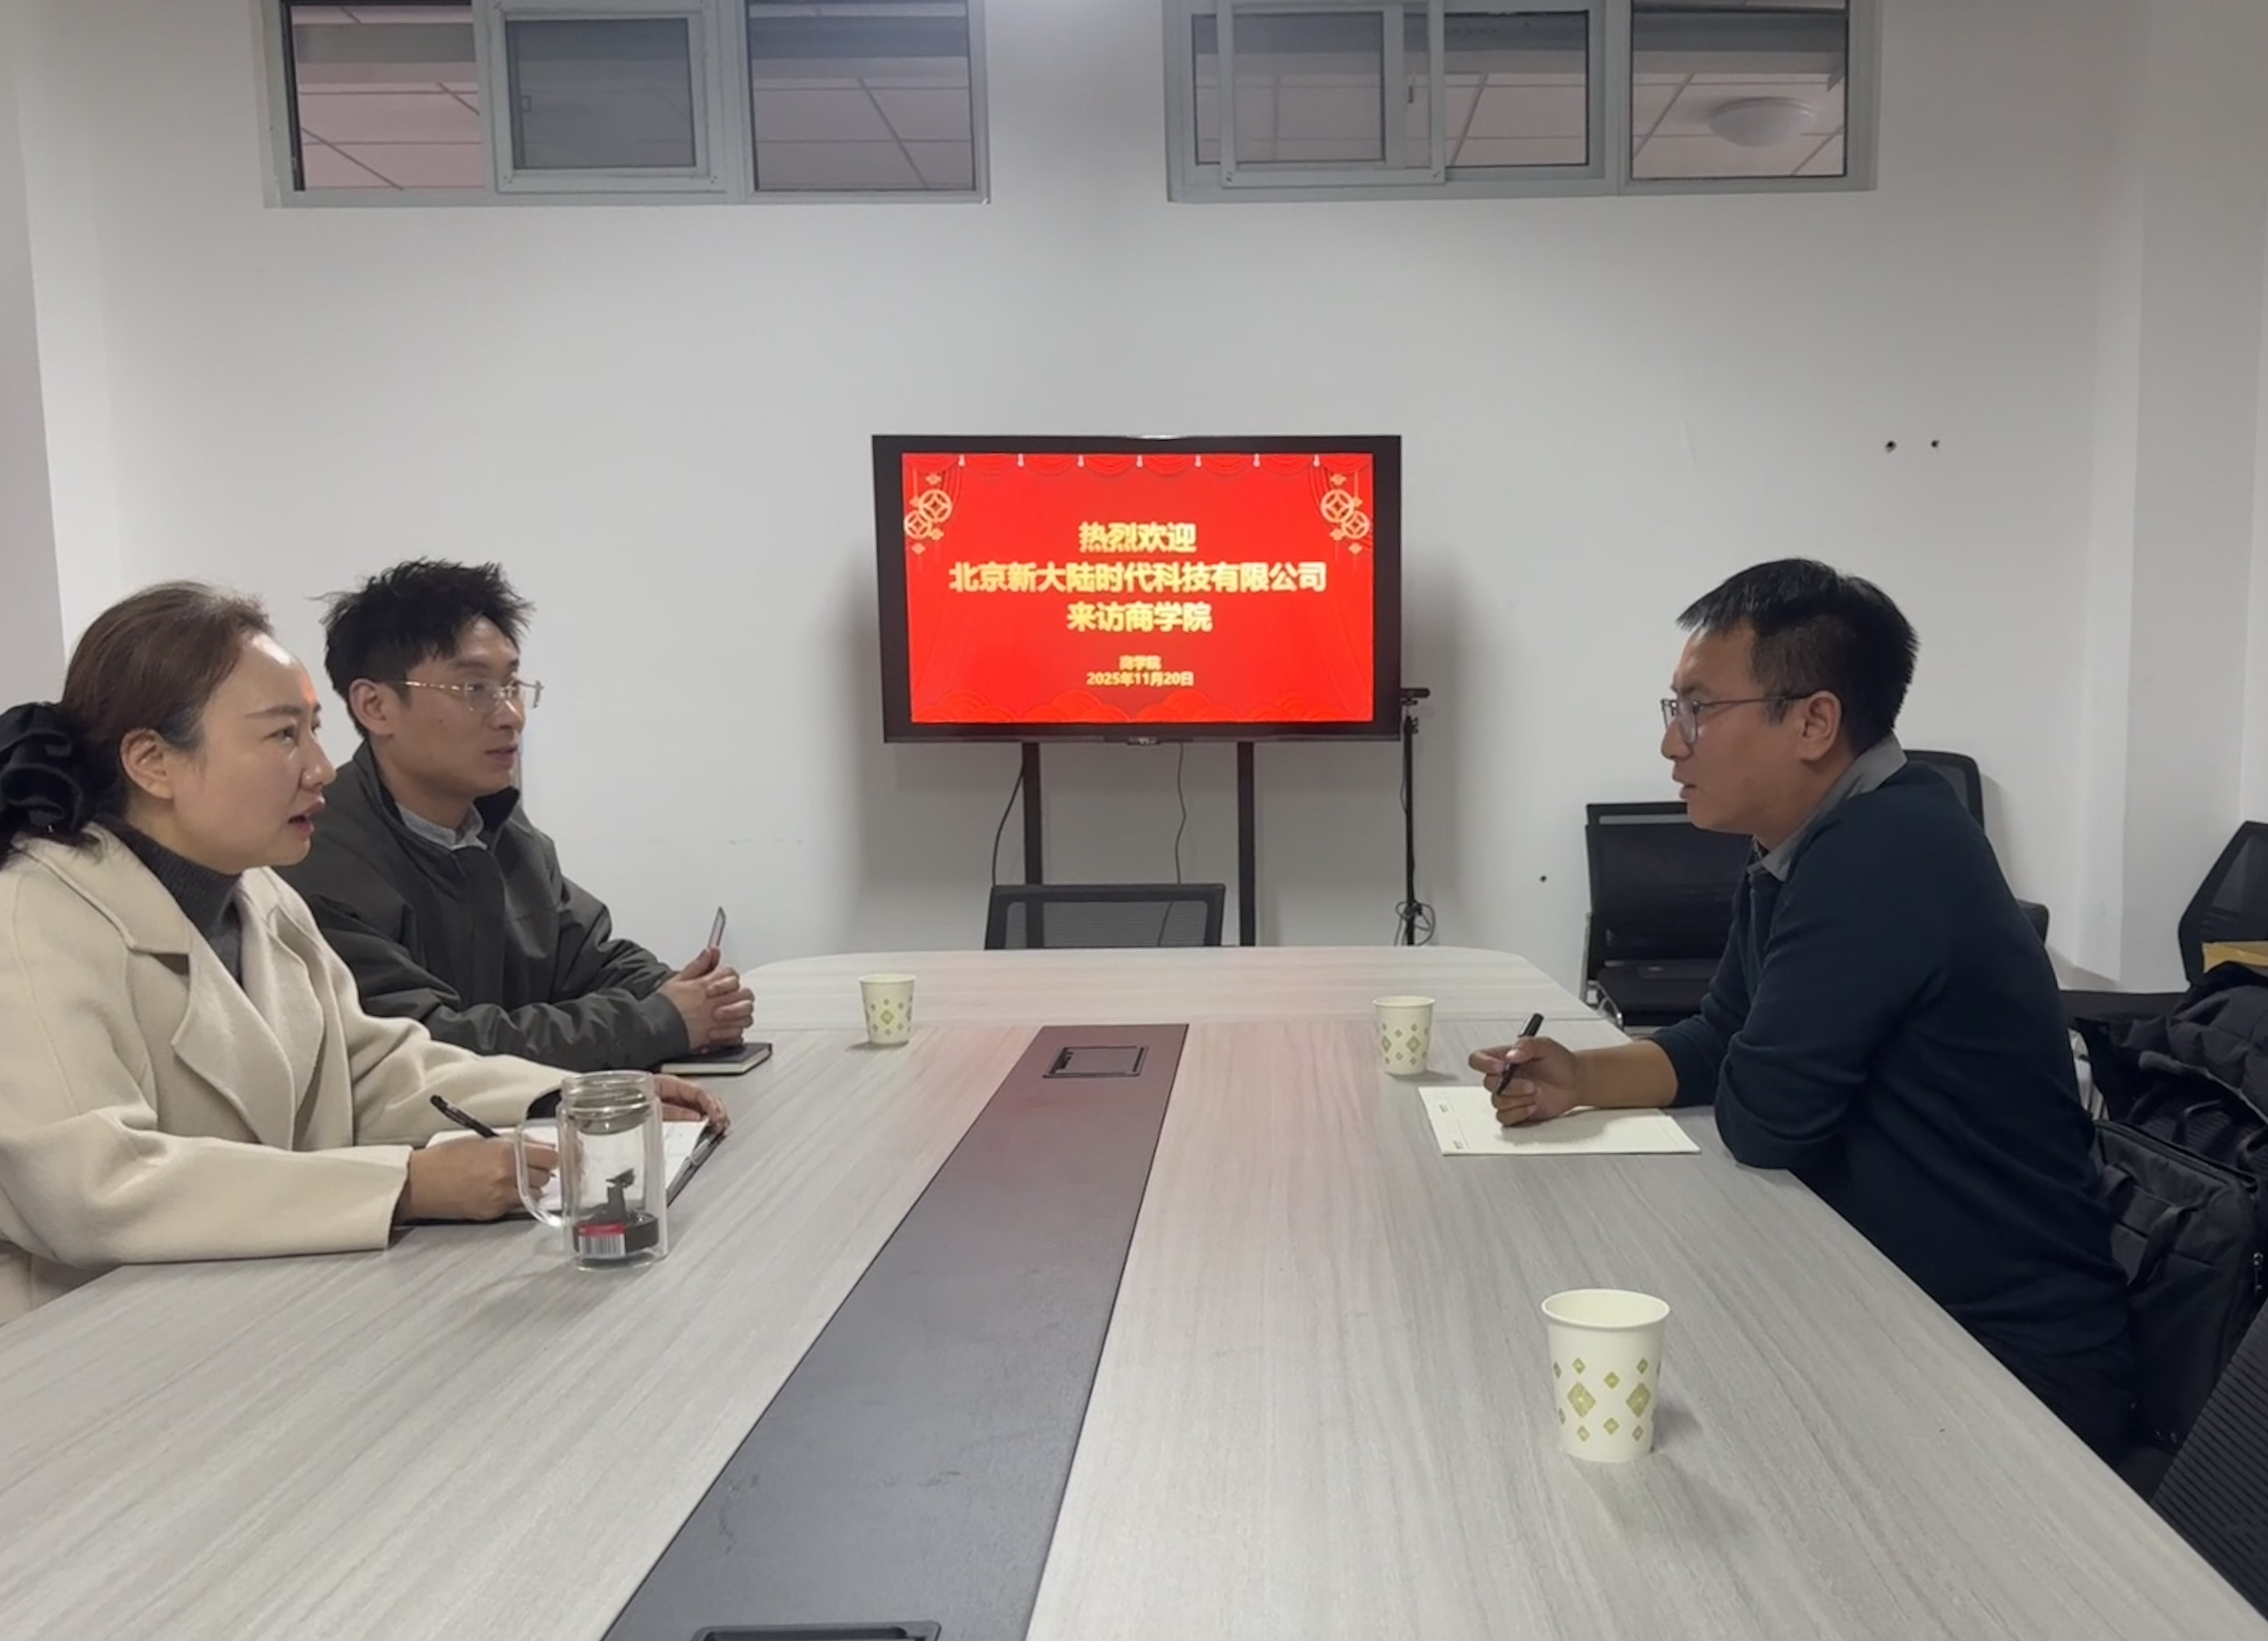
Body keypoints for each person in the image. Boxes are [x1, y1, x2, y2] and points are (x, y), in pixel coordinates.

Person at [1471, 559, 2135, 1457]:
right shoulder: (1804, 845)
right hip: (1887, 1299)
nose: (1671, 744)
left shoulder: (1884, 852)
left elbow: (1763, 1120)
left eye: (1698, 709)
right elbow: (1720, 1036)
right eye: (1673, 709)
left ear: (1814, 721)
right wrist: (1580, 1077)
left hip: (2001, 1362)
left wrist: (1744, 1061)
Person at [0, 583, 726, 1325]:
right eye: (283, 736)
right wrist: (405, 1184)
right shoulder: (32, 920)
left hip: (250, 1309)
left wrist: (564, 1100)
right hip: (86, 1344)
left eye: (313, 730)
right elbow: (93, 1190)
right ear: (153, 761)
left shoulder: (259, 894)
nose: (321, 767)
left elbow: (367, 1066)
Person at [277, 560, 753, 1073]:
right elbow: (432, 1046)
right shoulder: (317, 857)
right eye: (474, 689)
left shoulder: (500, 829)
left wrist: (685, 993)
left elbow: (590, 960)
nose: (511, 716)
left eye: (511, 685)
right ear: (375, 707)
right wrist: (659, 1021)